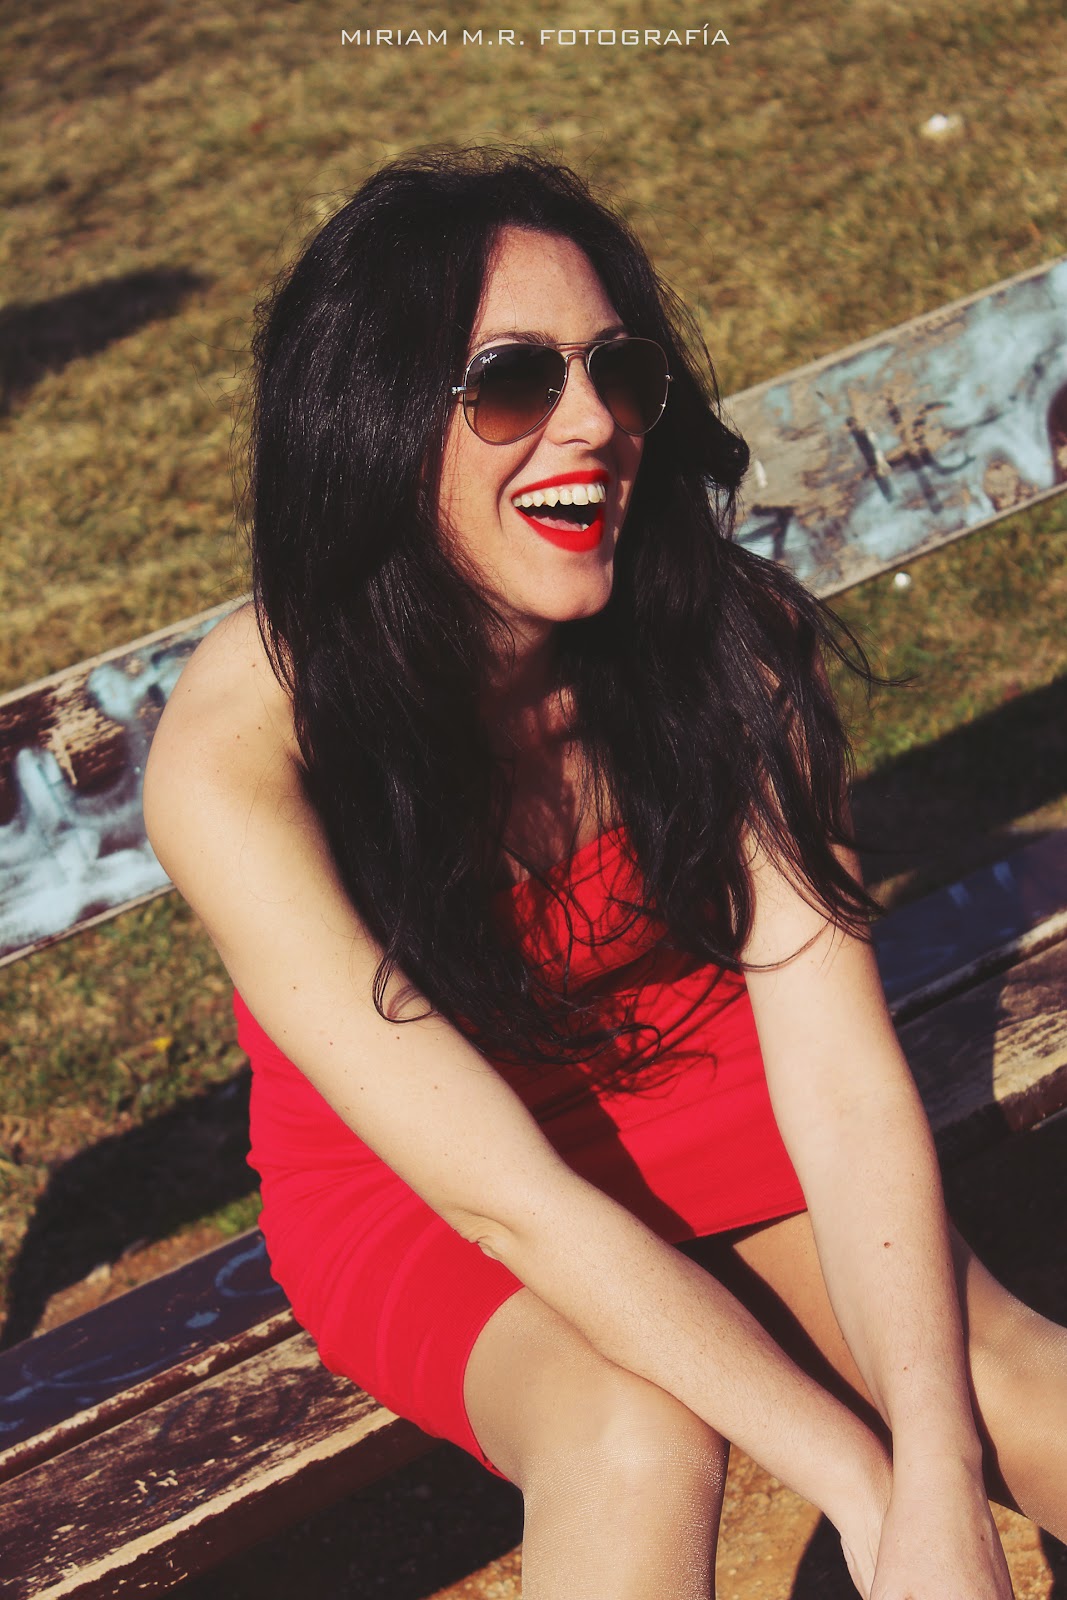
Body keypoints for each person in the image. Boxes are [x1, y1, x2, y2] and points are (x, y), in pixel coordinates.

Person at [144, 148, 1066, 1600]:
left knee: (1009, 1386)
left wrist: (941, 1482)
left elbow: (836, 1073)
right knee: (630, 1438)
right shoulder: (243, 753)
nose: (591, 423)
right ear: (375, 426)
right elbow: (505, 1198)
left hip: (698, 1064)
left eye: (619, 371)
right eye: (513, 382)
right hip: (426, 1167)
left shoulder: (721, 639)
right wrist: (869, 1493)